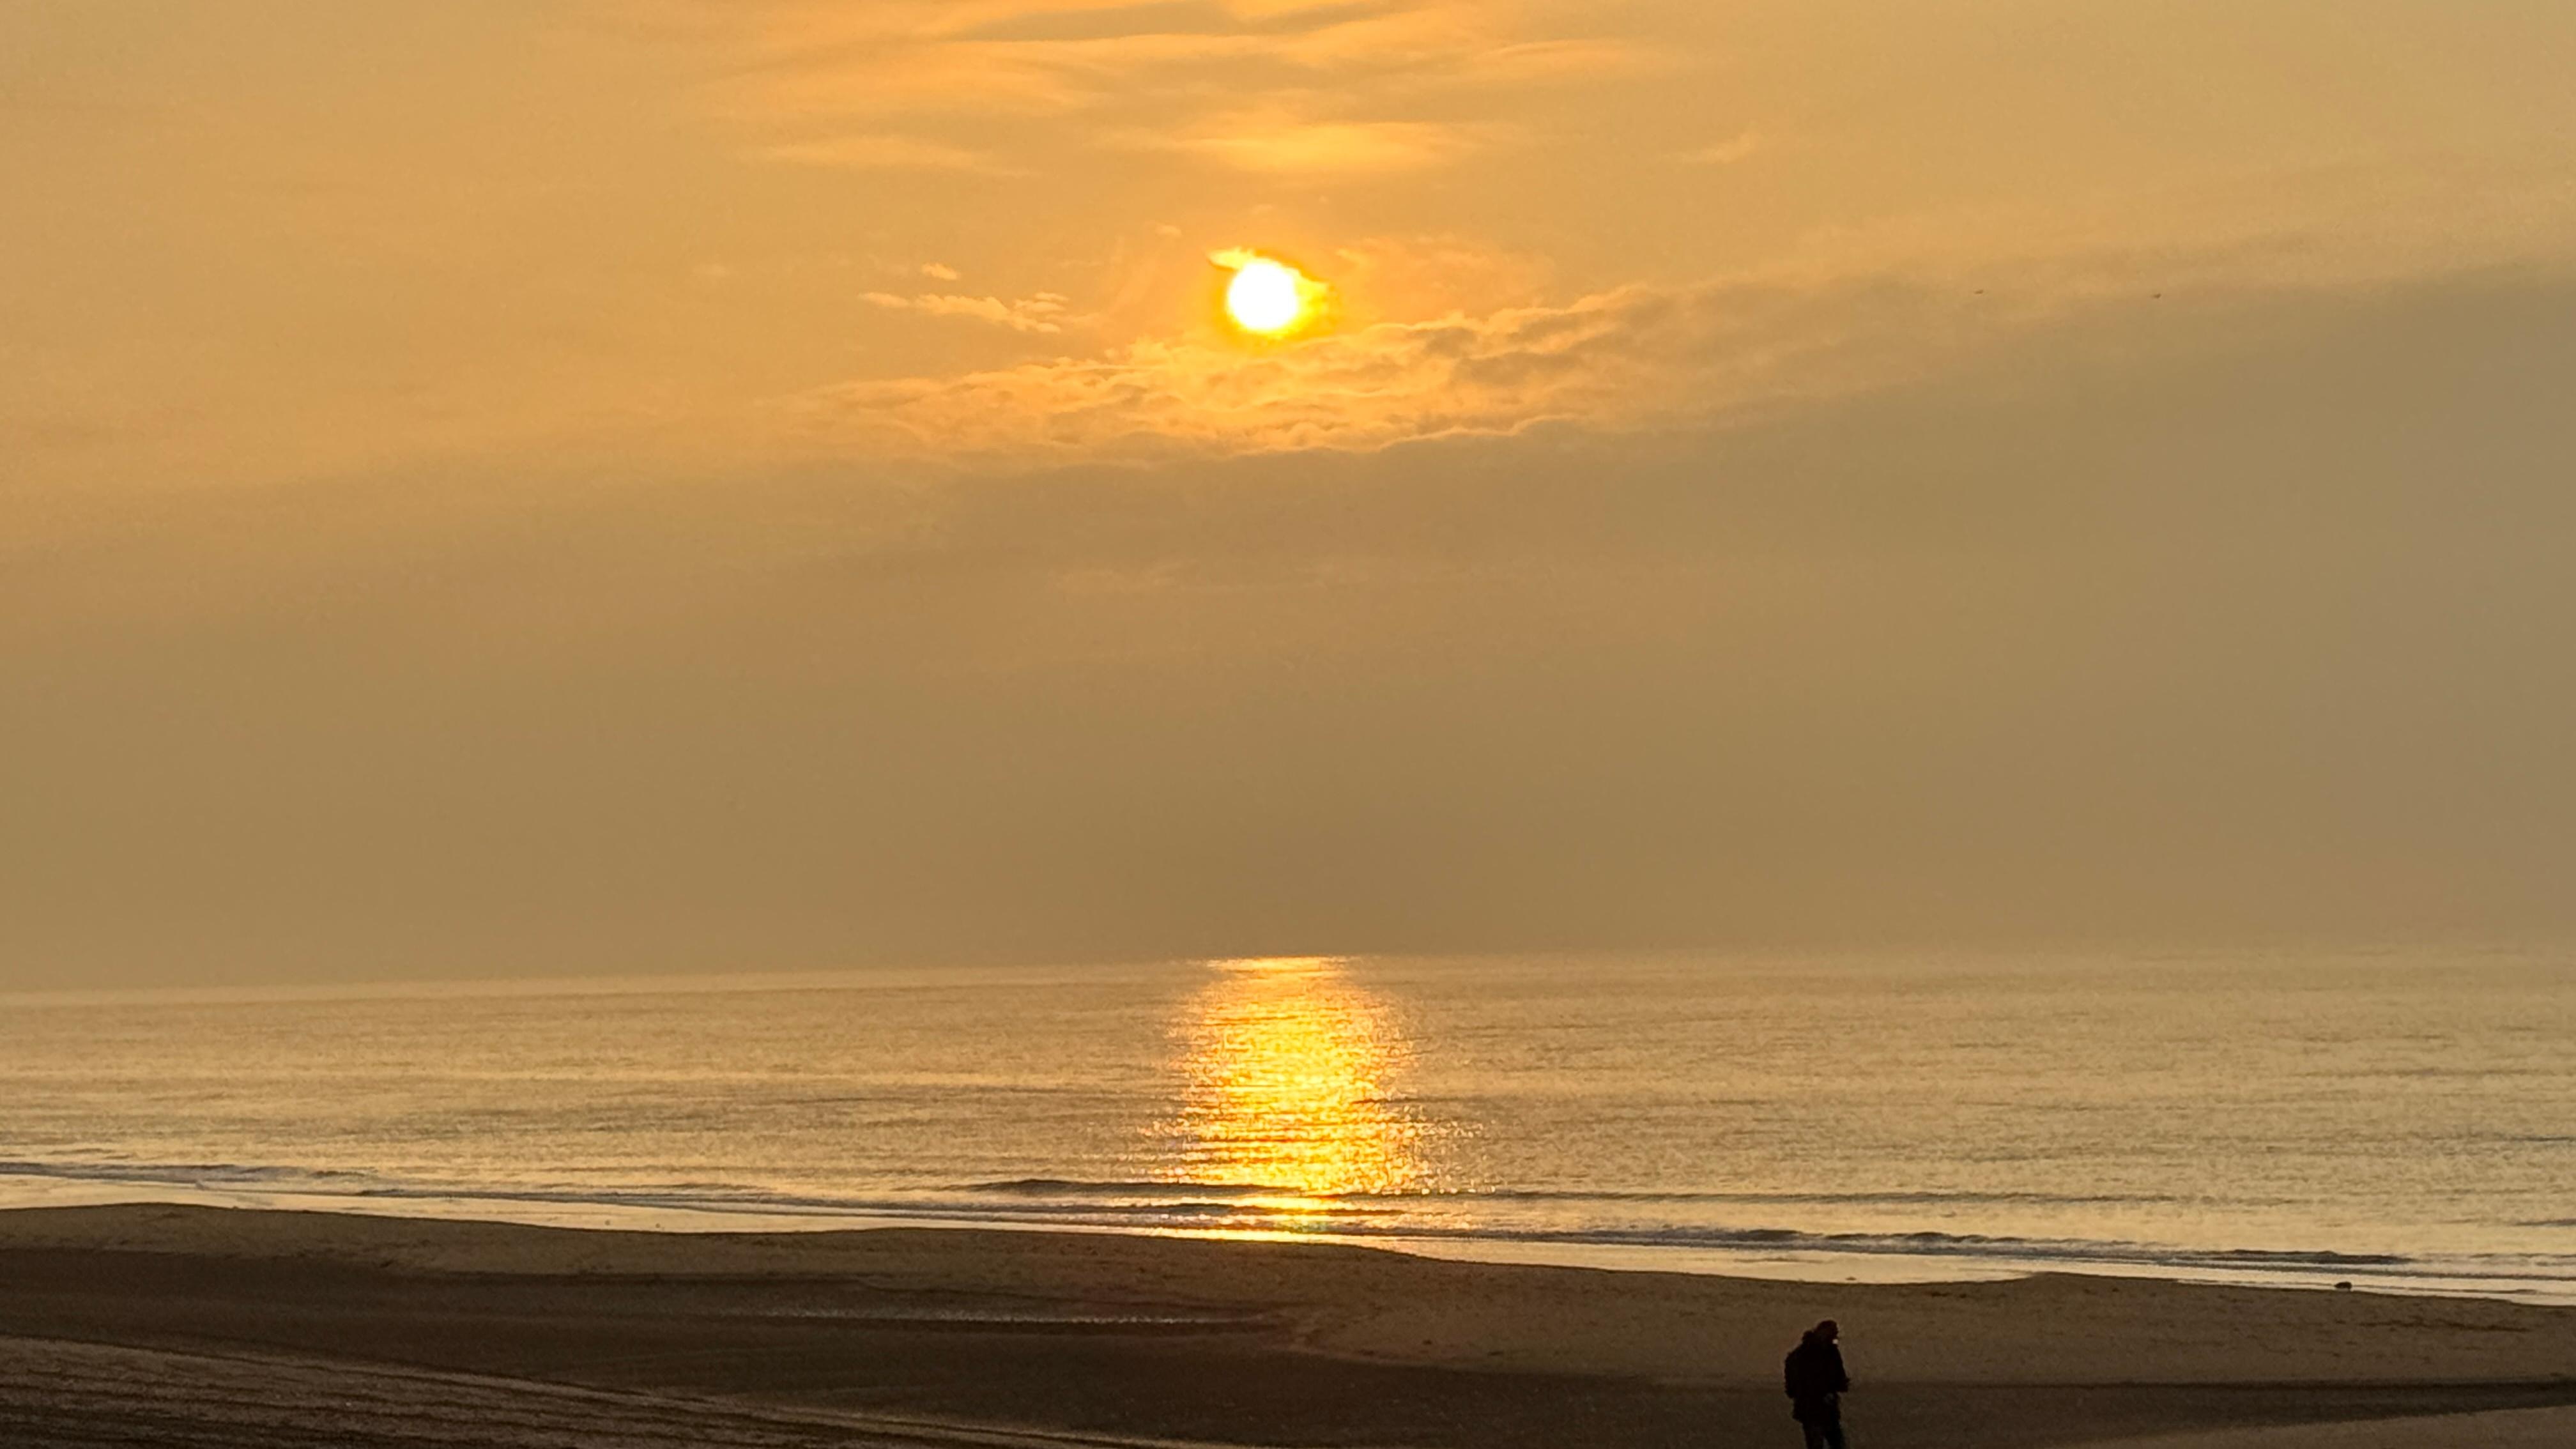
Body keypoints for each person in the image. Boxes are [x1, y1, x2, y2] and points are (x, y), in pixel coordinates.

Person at [1782, 1319, 1851, 1449]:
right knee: (1831, 1442)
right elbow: (1836, 1377)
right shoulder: (1825, 1353)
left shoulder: (1801, 1354)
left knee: (1820, 1442)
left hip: (1811, 1407)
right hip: (1816, 1407)